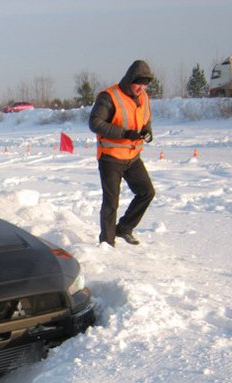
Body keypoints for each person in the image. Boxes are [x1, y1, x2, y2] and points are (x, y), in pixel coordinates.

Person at [88, 59, 156, 246]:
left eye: (145, 83)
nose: (141, 87)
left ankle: (124, 228)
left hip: (133, 157)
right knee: (111, 203)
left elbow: (145, 118)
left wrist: (147, 131)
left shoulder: (144, 97)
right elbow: (95, 123)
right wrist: (124, 133)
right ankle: (107, 243)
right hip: (110, 158)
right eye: (138, 82)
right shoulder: (109, 97)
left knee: (146, 192)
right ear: (129, 79)